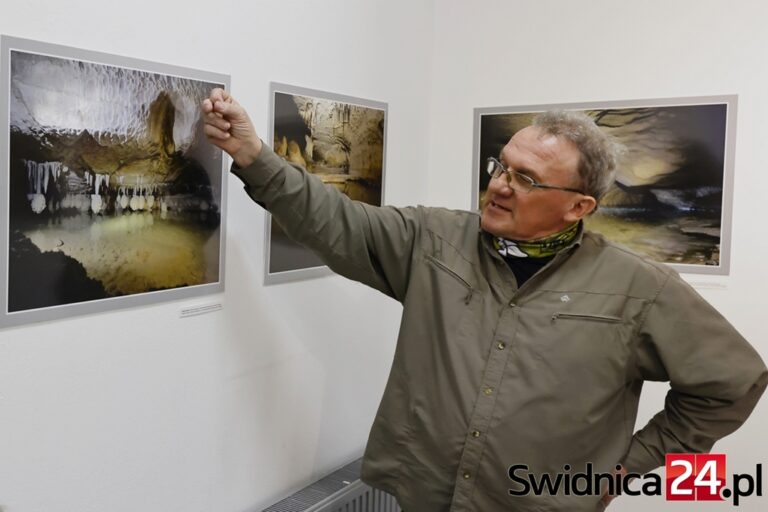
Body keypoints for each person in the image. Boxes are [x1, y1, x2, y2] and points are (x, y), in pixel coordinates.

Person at [202, 89, 767, 512]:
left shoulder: (641, 289)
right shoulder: (433, 238)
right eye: (501, 166)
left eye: (528, 179)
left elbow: (732, 384)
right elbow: (337, 222)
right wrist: (256, 155)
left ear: (578, 207)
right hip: (423, 497)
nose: (499, 185)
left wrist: (623, 467)